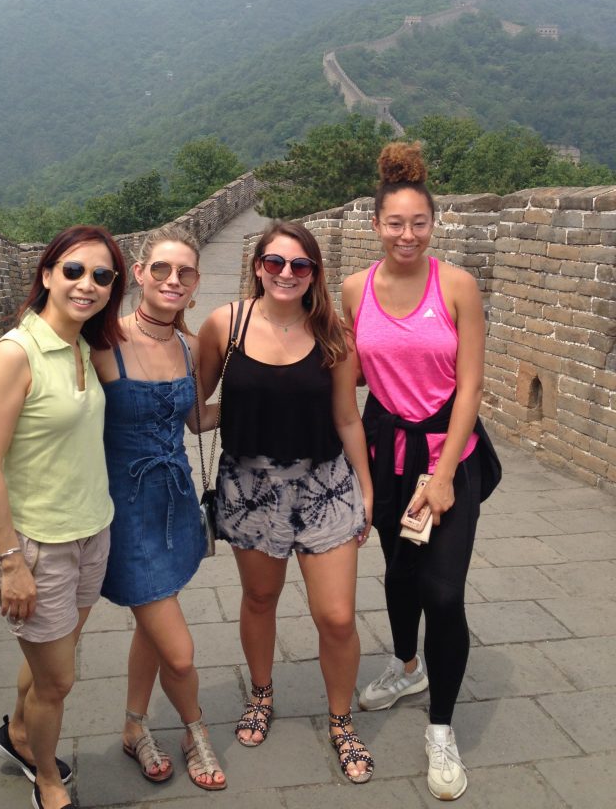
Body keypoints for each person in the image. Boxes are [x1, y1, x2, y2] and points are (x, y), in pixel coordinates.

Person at [198, 220, 375, 784]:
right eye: (275, 262)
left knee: (338, 617)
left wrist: (366, 489)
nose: (287, 274)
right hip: (250, 488)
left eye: (300, 265)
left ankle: (342, 720)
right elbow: (193, 400)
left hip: (325, 484)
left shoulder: (333, 334)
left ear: (314, 273)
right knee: (259, 598)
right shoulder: (225, 324)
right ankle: (262, 694)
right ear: (257, 266)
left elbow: (347, 415)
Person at [342, 142, 486, 801]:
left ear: (434, 224)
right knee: (399, 573)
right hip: (383, 448)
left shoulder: (454, 286)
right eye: (395, 224)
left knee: (444, 592)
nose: (407, 234)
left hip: (448, 448)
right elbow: (346, 386)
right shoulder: (353, 290)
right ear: (376, 225)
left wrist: (447, 470)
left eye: (418, 223)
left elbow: (472, 385)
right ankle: (406, 667)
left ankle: (442, 730)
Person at [0, 225, 126, 809]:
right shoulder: (17, 353)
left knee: (46, 666)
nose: (87, 284)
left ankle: (15, 736)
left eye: (102, 275)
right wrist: (12, 562)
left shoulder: (87, 346)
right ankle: (48, 782)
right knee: (58, 680)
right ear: (46, 274)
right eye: (74, 271)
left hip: (92, 532)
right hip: (38, 546)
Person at [92, 225, 226, 791]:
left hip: (171, 506)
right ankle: (195, 730)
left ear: (195, 287)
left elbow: (196, 420)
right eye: (163, 270)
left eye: (186, 273)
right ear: (139, 275)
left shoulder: (189, 347)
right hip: (124, 514)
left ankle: (134, 726)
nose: (174, 280)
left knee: (152, 622)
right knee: (179, 649)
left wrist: (260, 400)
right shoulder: (101, 343)